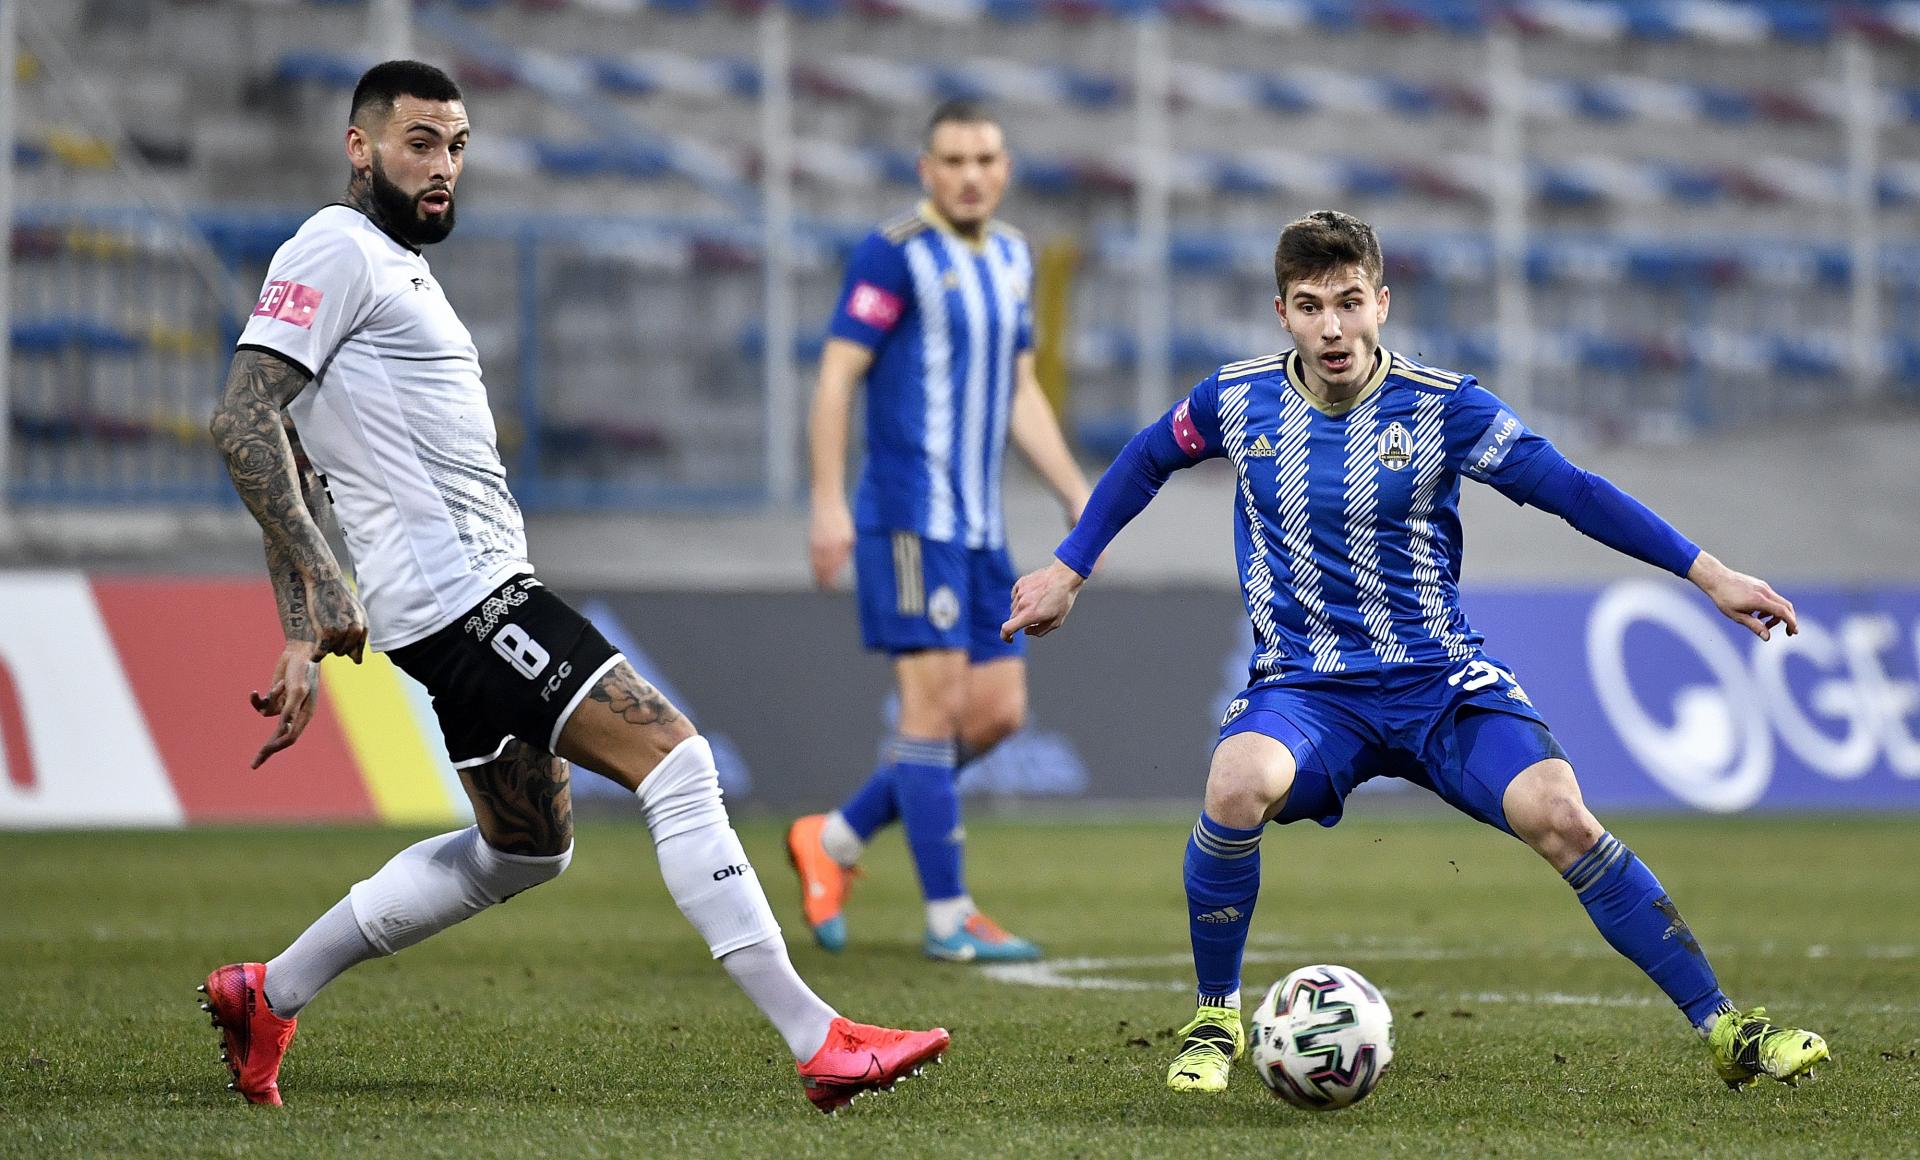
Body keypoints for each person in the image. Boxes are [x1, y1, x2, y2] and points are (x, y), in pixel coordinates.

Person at [199, 60, 947, 1113]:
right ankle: (820, 1038)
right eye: (420, 142)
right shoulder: (338, 246)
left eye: (458, 145)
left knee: (524, 851)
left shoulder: (390, 266)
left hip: (453, 602)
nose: (444, 165)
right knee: (675, 759)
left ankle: (267, 992)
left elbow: (286, 438)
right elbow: (240, 417)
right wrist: (321, 579)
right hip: (469, 600)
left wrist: (297, 622)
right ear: (359, 147)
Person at [1001, 209, 1829, 1093]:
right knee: (1235, 783)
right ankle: (1213, 1021)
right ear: (1281, 313)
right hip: (1309, 690)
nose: (1332, 328)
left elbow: (1576, 492)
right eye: (1310, 306)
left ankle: (1727, 1026)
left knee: (1561, 814)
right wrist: (1069, 568)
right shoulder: (1234, 400)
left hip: (1440, 684)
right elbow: (1145, 458)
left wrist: (1709, 574)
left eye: (1349, 302)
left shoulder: (1445, 407)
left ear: (1382, 303)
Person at [786, 100, 1090, 963]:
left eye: (984, 159)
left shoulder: (1013, 256)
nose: (970, 175)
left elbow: (1020, 391)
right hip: (909, 520)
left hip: (980, 526)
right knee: (932, 709)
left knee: (997, 714)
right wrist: (827, 501)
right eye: (952, 160)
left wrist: (1077, 490)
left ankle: (835, 839)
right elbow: (836, 377)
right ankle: (950, 916)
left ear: (1005, 169)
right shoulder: (894, 253)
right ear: (926, 171)